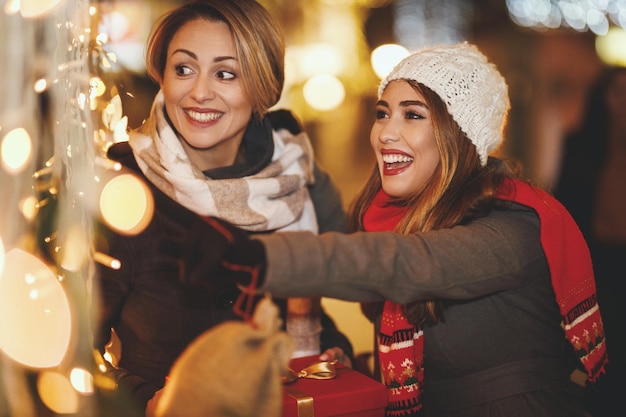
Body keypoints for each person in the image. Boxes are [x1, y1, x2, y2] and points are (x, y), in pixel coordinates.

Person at [166, 42, 609, 417]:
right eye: (383, 113)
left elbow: (396, 263)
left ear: (459, 134)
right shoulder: (397, 216)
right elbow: (356, 252)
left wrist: (258, 255)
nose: (385, 133)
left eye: (413, 115)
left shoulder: (511, 229)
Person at [92, 1, 353, 416]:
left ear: (262, 87)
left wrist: (332, 350)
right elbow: (73, 354)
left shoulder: (290, 178)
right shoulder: (122, 189)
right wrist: (146, 400)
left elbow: (302, 317)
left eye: (225, 73)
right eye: (184, 69)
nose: (199, 92)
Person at [553, 65, 626, 417]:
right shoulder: (580, 142)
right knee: (601, 346)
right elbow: (565, 203)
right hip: (596, 260)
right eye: (616, 92)